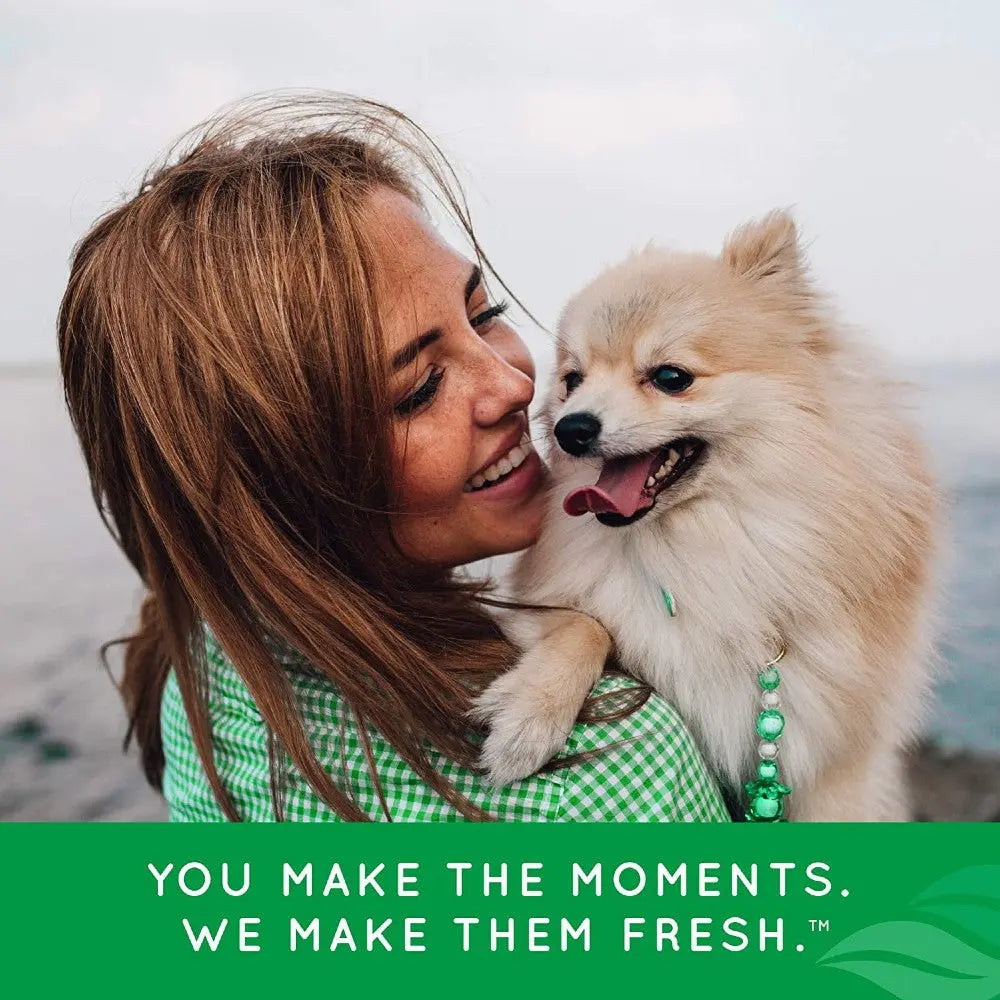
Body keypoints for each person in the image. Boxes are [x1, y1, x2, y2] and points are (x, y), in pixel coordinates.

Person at [57, 93, 730, 823]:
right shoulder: (611, 768)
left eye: (485, 315)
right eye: (418, 389)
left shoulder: (200, 649)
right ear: (275, 486)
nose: (515, 387)